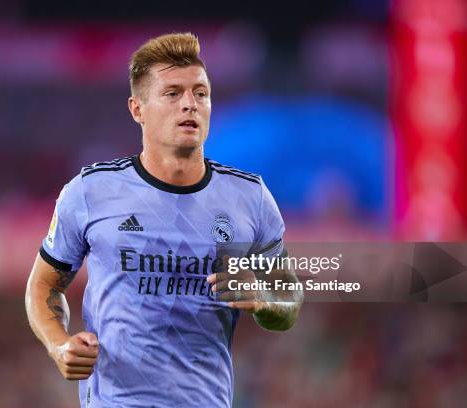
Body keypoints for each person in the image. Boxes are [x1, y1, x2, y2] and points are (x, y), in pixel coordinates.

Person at [25, 32, 302, 407]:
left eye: (200, 93)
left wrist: (265, 299)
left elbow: (289, 299)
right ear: (137, 109)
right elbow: (42, 287)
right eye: (173, 94)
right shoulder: (90, 192)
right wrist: (60, 345)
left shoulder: (249, 198)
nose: (190, 104)